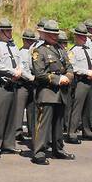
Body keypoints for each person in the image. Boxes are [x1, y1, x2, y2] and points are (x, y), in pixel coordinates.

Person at [30, 20, 73, 164]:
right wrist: (57, 79)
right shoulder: (39, 51)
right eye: (52, 34)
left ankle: (58, 149)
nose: (55, 36)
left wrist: (67, 77)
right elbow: (39, 73)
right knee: (43, 125)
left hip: (61, 92)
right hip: (47, 92)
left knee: (59, 124)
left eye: (56, 34)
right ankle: (39, 153)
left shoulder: (61, 49)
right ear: (46, 34)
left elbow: (69, 66)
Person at [0, 19, 24, 158]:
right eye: (7, 30)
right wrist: (13, 72)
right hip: (2, 85)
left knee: (11, 117)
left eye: (10, 30)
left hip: (13, 85)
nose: (9, 33)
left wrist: (20, 70)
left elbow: (20, 62)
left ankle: (8, 145)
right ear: (0, 32)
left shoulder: (13, 46)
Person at [68, 24, 92, 142]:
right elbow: (73, 68)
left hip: (91, 81)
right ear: (76, 36)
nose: (84, 38)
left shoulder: (89, 50)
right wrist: (87, 72)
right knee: (77, 107)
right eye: (82, 36)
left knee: (89, 107)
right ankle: (72, 133)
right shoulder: (73, 51)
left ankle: (88, 131)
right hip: (80, 81)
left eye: (85, 36)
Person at [16, 29, 37, 143]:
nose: (29, 42)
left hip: (33, 84)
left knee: (32, 109)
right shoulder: (20, 53)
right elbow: (21, 70)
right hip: (23, 84)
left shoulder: (34, 52)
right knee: (19, 110)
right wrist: (31, 78)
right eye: (27, 40)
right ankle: (17, 132)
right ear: (24, 40)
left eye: (31, 40)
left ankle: (31, 130)